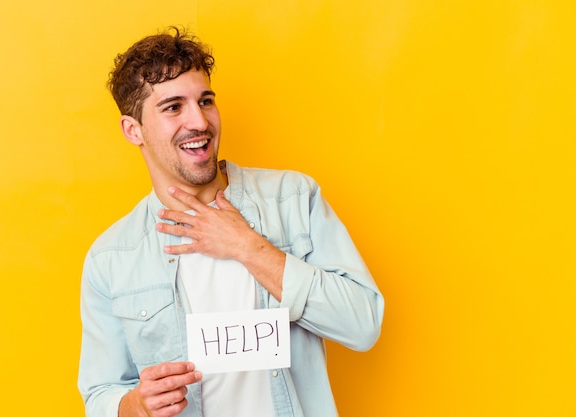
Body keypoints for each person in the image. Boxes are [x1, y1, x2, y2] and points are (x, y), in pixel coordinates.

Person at [78, 26, 384, 417]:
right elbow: (100, 392)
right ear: (132, 130)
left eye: (205, 101)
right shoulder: (111, 258)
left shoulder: (294, 199)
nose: (200, 122)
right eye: (173, 107)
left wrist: (248, 247)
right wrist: (133, 405)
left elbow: (363, 324)